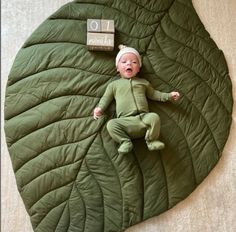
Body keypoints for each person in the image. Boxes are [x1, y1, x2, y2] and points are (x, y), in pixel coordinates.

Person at [93, 45, 180, 155]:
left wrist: (169, 96)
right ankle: (125, 142)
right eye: (124, 62)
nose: (129, 64)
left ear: (138, 68)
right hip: (125, 122)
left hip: (143, 119)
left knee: (154, 117)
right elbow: (106, 98)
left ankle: (151, 140)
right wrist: (100, 108)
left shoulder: (143, 82)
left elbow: (154, 94)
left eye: (134, 62)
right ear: (117, 68)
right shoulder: (114, 85)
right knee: (111, 124)